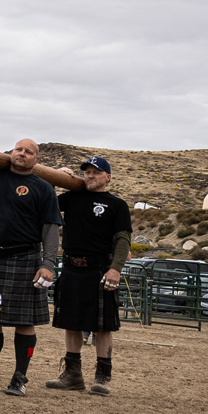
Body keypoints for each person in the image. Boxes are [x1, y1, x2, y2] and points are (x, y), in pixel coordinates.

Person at [0, 139, 62, 396]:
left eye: (29, 152)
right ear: (11, 152)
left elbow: (50, 229)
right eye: (19, 149)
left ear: (36, 160)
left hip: (25, 260)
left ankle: (19, 378)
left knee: (24, 321)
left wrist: (48, 264)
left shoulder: (43, 188)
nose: (23, 154)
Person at [46, 157, 130, 396]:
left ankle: (103, 378)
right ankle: (72, 376)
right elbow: (44, 202)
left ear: (108, 177)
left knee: (102, 326)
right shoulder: (71, 198)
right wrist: (54, 177)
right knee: (70, 323)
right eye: (87, 172)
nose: (90, 175)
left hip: (100, 268)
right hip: (72, 267)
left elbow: (123, 240)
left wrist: (115, 269)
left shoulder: (117, 204)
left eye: (96, 172)